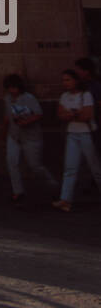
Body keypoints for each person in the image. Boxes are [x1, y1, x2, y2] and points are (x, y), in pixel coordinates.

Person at [2, 75, 56, 202]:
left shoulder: (29, 98)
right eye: (10, 88)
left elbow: (38, 114)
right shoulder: (7, 99)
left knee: (35, 166)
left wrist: (26, 121)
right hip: (14, 135)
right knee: (12, 162)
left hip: (30, 137)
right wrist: (3, 132)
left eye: (14, 88)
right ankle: (18, 192)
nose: (12, 91)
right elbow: (7, 117)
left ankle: (52, 185)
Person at [53, 67, 101, 211]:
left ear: (75, 80)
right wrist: (75, 114)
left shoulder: (85, 95)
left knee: (95, 167)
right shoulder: (64, 96)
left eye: (68, 80)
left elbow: (87, 115)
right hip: (72, 133)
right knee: (70, 167)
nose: (65, 83)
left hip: (86, 133)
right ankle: (65, 199)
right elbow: (61, 115)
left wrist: (71, 115)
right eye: (63, 80)